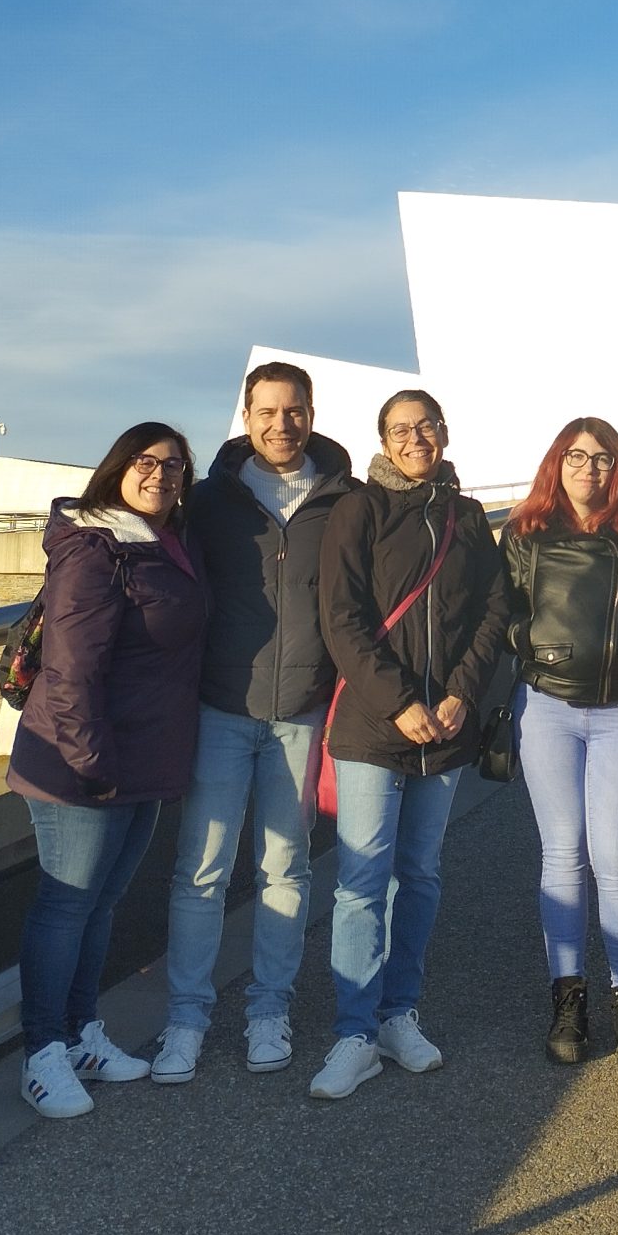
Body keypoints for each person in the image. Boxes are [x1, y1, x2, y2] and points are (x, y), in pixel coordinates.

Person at [150, 361, 358, 1085]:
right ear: (246, 416)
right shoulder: (209, 500)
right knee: (200, 871)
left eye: (293, 410)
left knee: (286, 869)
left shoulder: (343, 499)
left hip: (301, 709)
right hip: (221, 706)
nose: (281, 424)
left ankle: (270, 1010)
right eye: (266, 411)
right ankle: (186, 1018)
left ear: (311, 413)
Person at [309, 389, 512, 1101]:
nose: (415, 438)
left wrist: (461, 693)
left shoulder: (467, 516)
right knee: (362, 882)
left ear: (444, 433)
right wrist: (400, 702)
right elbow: (341, 618)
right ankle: (354, 1033)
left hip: (445, 732)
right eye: (400, 429)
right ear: (383, 441)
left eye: (425, 426)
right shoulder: (358, 511)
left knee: (420, 874)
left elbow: (493, 611)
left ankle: (400, 1015)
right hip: (374, 728)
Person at [6, 423, 210, 1119]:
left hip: (140, 758)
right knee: (66, 905)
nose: (160, 475)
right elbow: (70, 670)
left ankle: (80, 1035)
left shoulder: (167, 541)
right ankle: (41, 1056)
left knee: (100, 902)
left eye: (174, 466)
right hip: (80, 761)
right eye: (145, 462)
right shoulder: (94, 547)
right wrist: (91, 764)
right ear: (117, 468)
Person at [504, 416, 618, 1066]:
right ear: (556, 462)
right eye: (576, 456)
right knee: (563, 854)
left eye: (602, 458)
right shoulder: (525, 532)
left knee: (617, 858)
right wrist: (536, 644)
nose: (588, 469)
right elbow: (505, 610)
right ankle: (568, 1000)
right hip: (547, 705)